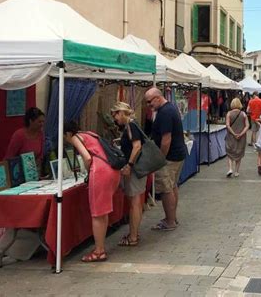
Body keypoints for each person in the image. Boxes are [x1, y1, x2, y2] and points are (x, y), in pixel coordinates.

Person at [64, 121, 120, 262]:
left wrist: (88, 170)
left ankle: (99, 251)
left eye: (65, 137)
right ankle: (100, 247)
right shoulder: (90, 133)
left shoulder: (76, 138)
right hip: (112, 170)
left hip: (100, 171)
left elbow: (87, 157)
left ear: (68, 133)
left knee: (96, 213)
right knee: (103, 211)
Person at [145, 87, 187, 231]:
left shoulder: (165, 113)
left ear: (157, 98)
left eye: (150, 102)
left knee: (166, 189)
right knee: (172, 185)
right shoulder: (169, 109)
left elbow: (166, 139)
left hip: (170, 157)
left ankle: (170, 221)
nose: (149, 106)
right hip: (177, 154)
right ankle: (172, 217)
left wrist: (160, 159)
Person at [111, 102, 146, 247]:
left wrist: (129, 165)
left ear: (121, 112)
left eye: (115, 115)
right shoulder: (131, 125)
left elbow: (137, 146)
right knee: (135, 202)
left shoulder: (131, 125)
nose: (115, 119)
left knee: (134, 203)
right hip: (137, 167)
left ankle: (133, 237)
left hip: (135, 168)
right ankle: (134, 233)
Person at [225, 98, 249, 177]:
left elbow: (227, 125)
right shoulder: (243, 114)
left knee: (229, 152)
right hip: (241, 137)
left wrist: (234, 133)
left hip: (231, 136)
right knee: (239, 153)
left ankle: (230, 169)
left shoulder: (229, 113)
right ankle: (236, 171)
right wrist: (241, 134)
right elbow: (247, 126)